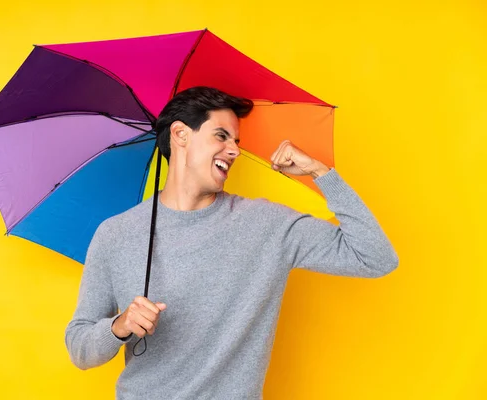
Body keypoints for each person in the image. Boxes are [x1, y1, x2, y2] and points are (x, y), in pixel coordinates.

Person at [65, 86, 399, 399]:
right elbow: (79, 347)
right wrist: (120, 326)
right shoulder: (116, 234)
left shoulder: (267, 225)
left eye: (236, 141)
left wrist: (321, 173)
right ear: (180, 135)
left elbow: (375, 256)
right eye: (221, 136)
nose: (235, 150)